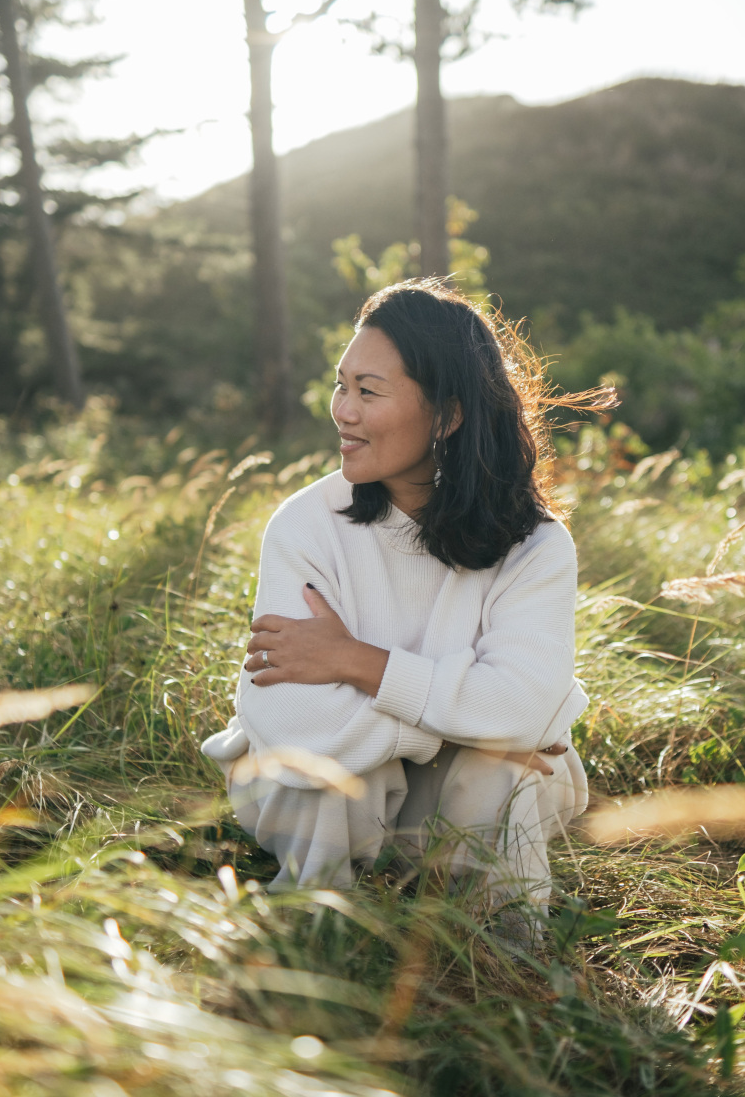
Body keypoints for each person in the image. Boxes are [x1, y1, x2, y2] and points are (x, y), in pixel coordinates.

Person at [202, 279, 605, 916]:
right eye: (342, 384)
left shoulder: (534, 544)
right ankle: (320, 929)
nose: (343, 409)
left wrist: (354, 663)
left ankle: (496, 964)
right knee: (334, 778)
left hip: (462, 795)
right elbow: (294, 726)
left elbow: (523, 712)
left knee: (501, 771)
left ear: (447, 414)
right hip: (325, 790)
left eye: (368, 391)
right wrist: (468, 724)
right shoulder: (307, 526)